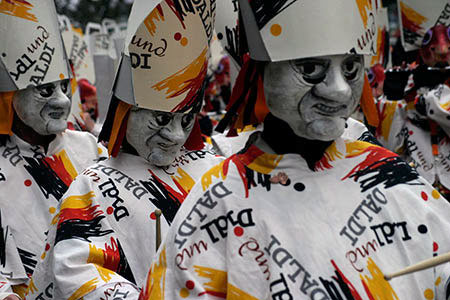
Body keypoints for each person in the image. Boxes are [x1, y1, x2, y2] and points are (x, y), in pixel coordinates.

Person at [141, 1, 450, 299]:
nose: (339, 89)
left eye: (352, 67)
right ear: (259, 72)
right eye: (312, 68)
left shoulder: (389, 173)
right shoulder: (219, 201)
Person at [25, 1, 222, 299]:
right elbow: (77, 269)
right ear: (127, 109)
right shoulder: (93, 186)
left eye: (186, 120)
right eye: (161, 118)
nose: (175, 134)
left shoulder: (216, 170)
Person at [0, 1, 107, 298]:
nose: (61, 101)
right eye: (46, 90)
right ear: (9, 94)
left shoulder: (89, 147)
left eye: (64, 87)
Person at [375, 0, 450, 200]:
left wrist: (428, 98)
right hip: (421, 185)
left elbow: (443, 113)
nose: (441, 60)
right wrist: (391, 102)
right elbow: (389, 144)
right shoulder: (410, 82)